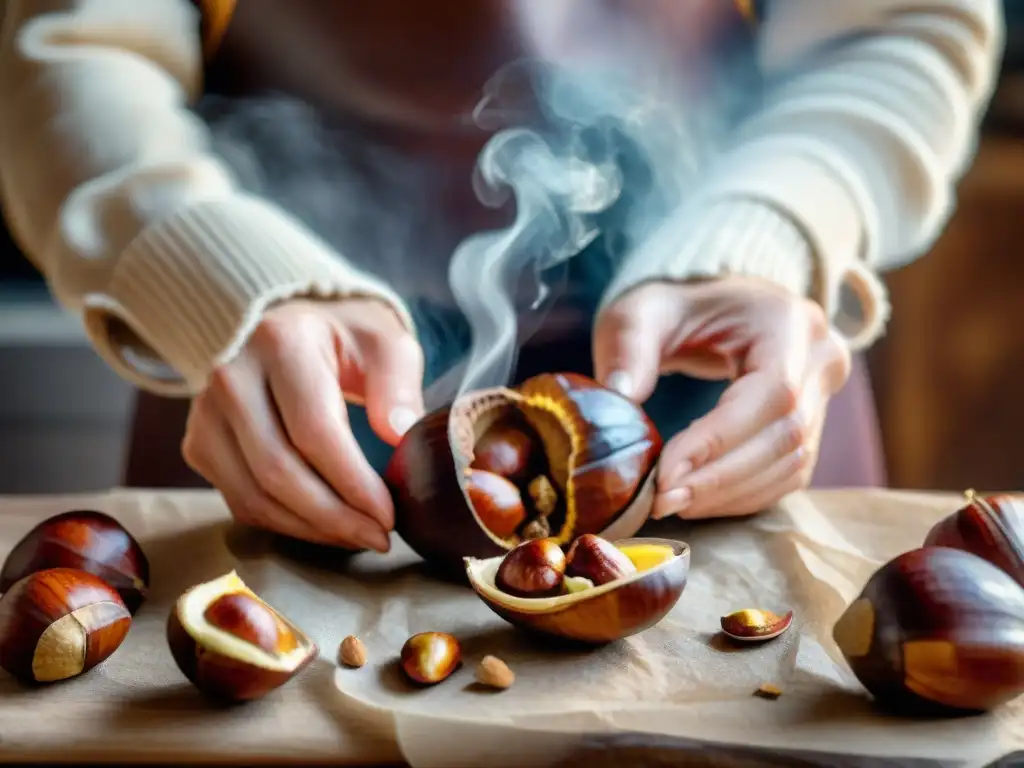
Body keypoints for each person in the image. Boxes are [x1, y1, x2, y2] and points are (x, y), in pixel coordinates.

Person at [0, 1, 1002, 554]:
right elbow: (68, 52)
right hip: (277, 377)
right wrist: (210, 265)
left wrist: (767, 231)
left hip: (725, 374)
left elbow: (896, 27)